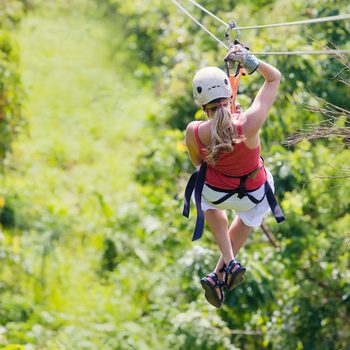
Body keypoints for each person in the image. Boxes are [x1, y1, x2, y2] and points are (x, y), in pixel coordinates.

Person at [183, 44, 283, 308]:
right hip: (253, 193)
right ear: (228, 95)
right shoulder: (249, 123)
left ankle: (226, 266)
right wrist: (250, 61)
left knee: (202, 191)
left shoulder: (194, 132)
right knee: (251, 212)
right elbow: (274, 77)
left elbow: (198, 161)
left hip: (217, 192)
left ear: (202, 106)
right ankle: (223, 268)